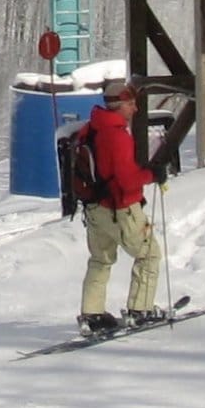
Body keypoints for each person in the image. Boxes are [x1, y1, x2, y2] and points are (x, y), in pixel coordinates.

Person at [78, 77, 164, 335]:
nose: (135, 109)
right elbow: (126, 181)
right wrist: (152, 175)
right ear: (119, 105)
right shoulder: (117, 136)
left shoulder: (90, 128)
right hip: (121, 208)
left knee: (100, 260)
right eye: (131, 104)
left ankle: (92, 314)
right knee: (149, 254)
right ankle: (140, 310)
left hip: (94, 208)